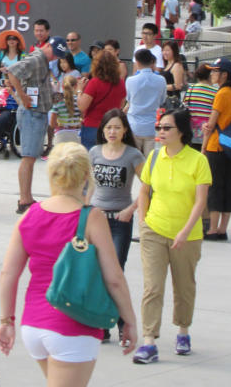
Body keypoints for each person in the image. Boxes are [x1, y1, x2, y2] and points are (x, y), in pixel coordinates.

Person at [0, 142, 137, 385]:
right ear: (85, 174)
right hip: (73, 325)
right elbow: (114, 279)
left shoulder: (32, 213)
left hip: (34, 324)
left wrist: (6, 321)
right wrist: (130, 321)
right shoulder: (91, 217)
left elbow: (8, 273)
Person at [133, 107, 212, 363]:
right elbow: (144, 192)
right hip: (154, 229)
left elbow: (200, 202)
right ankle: (148, 340)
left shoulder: (198, 160)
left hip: (187, 235)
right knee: (152, 287)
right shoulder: (155, 157)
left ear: (181, 132)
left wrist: (186, 231)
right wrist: (143, 222)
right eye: (159, 128)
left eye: (167, 128)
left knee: (184, 286)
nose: (161, 132)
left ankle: (183, 330)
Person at [89, 109, 144, 341]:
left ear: (125, 131)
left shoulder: (132, 155)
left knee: (115, 273)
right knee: (97, 272)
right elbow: (89, 186)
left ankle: (123, 322)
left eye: (117, 128)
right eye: (109, 127)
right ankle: (102, 323)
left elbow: (148, 186)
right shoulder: (94, 152)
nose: (112, 132)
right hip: (96, 220)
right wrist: (84, 212)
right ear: (103, 130)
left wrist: (131, 209)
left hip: (120, 221)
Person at [6, 40, 53, 213]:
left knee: (30, 158)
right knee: (28, 157)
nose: (55, 57)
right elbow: (12, 72)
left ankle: (27, 197)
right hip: (31, 114)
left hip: (37, 112)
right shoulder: (37, 58)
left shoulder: (42, 59)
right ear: (48, 47)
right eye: (54, 52)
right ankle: (24, 199)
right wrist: (22, 95)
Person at [201, 58, 231, 241]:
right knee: (226, 187)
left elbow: (211, 124)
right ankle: (222, 229)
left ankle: (212, 229)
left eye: (215, 71)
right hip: (227, 147)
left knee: (214, 188)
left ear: (224, 74)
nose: (212, 74)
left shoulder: (221, 94)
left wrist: (203, 147)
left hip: (215, 146)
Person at [77, 50, 126, 150]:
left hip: (92, 126)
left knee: (90, 160)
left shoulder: (94, 83)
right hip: (111, 126)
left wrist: (79, 90)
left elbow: (82, 106)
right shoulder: (121, 83)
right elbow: (121, 105)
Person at [124, 48, 168, 156]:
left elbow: (128, 100)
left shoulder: (130, 80)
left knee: (134, 161)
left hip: (134, 124)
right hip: (152, 126)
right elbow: (162, 100)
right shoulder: (161, 80)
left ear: (137, 62)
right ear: (152, 62)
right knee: (151, 162)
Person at [181, 64, 217, 146]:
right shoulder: (216, 92)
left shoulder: (190, 89)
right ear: (210, 75)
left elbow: (185, 106)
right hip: (208, 134)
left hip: (191, 132)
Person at [50, 73, 82, 144]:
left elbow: (52, 123)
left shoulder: (58, 101)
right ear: (76, 86)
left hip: (61, 134)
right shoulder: (79, 100)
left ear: (62, 86)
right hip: (76, 134)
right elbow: (83, 116)